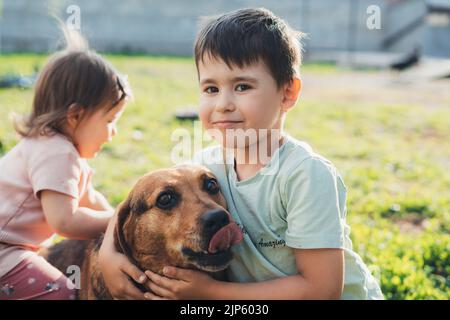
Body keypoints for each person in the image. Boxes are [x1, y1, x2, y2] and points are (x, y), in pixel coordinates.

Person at [99, 8, 383, 300]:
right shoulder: (204, 168)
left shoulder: (305, 175)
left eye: (242, 86)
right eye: (211, 88)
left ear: (287, 93)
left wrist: (213, 292)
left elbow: (320, 290)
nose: (223, 104)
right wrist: (108, 257)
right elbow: (138, 205)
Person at [0, 30, 131, 300]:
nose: (113, 132)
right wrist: (117, 219)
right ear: (75, 116)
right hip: (4, 251)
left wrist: (121, 217)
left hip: (11, 248)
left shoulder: (56, 149)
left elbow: (90, 199)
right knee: (59, 291)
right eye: (109, 121)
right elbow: (65, 221)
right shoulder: (56, 152)